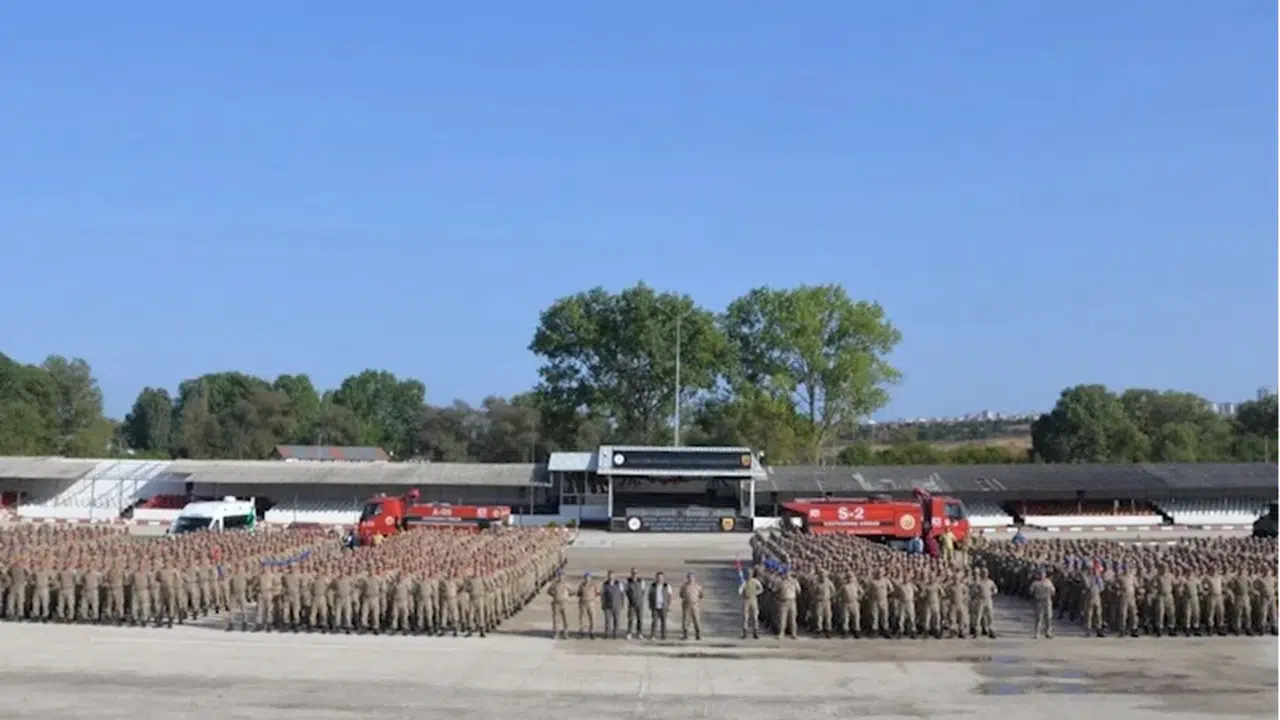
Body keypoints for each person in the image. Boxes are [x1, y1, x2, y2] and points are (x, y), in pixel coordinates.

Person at [647, 571, 671, 641]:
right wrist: (650, 605)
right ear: (656, 578)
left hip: (663, 606)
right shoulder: (652, 586)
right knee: (654, 622)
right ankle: (653, 635)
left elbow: (670, 596)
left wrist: (668, 605)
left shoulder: (667, 585)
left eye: (661, 577)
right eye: (658, 577)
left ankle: (663, 636)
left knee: (663, 622)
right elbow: (649, 595)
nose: (659, 579)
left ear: (663, 578)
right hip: (655, 606)